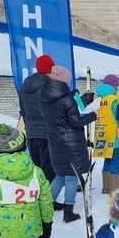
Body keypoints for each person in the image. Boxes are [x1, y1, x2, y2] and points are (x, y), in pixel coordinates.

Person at [40, 64, 99, 223]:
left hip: (55, 142)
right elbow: (76, 122)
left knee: (59, 176)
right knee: (72, 177)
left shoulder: (43, 97)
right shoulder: (67, 99)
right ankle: (69, 211)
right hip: (71, 143)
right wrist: (93, 115)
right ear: (64, 81)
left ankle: (47, 205)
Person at [19, 54, 57, 184]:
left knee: (36, 169)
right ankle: (47, 201)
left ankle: (36, 198)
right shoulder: (50, 85)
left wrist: (28, 127)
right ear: (51, 68)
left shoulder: (25, 86)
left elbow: (23, 111)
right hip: (48, 133)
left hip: (32, 132)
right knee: (48, 171)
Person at [92, 74, 119, 195]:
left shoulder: (98, 100)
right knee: (116, 162)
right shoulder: (114, 100)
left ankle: (106, 188)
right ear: (115, 86)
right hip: (114, 136)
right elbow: (118, 117)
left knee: (107, 161)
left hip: (101, 135)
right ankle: (114, 191)